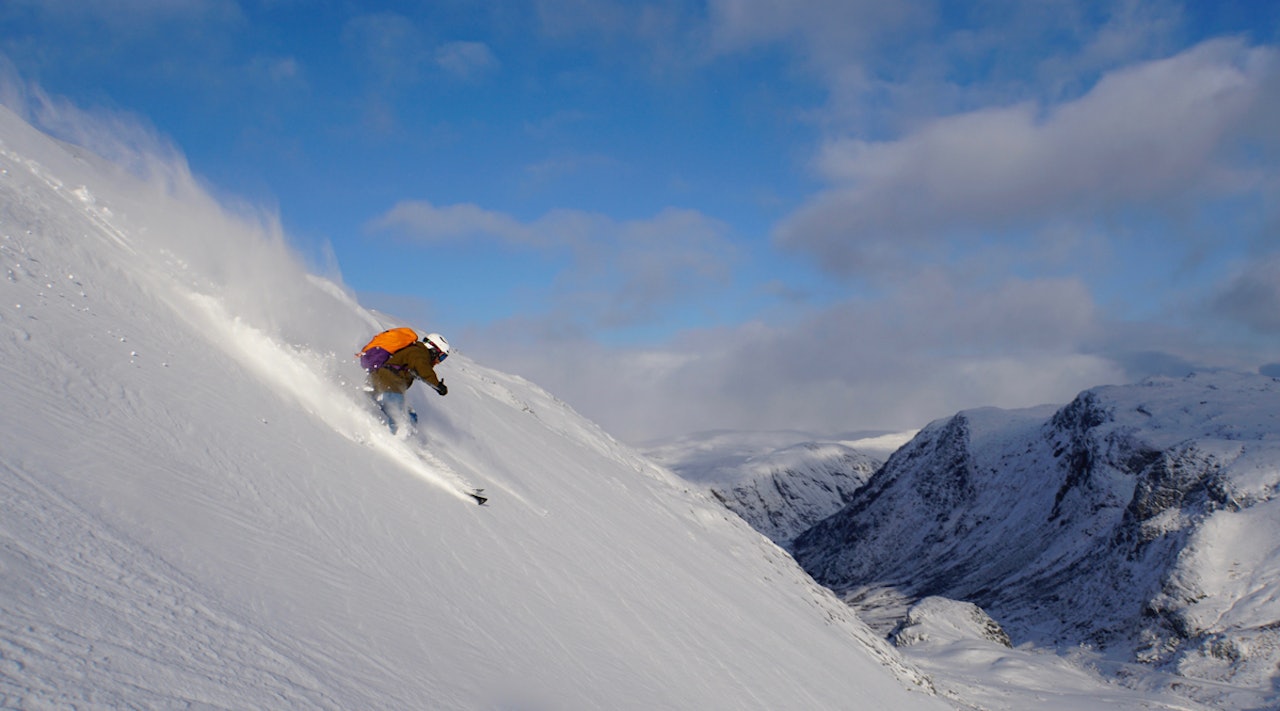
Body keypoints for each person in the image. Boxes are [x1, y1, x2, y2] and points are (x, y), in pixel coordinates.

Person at [368, 332, 450, 433]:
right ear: (434, 349)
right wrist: (438, 385)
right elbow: (424, 369)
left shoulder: (415, 351)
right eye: (441, 357)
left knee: (411, 416)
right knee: (399, 417)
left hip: (383, 380)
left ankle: (388, 433)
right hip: (389, 382)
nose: (439, 361)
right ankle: (395, 439)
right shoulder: (418, 353)